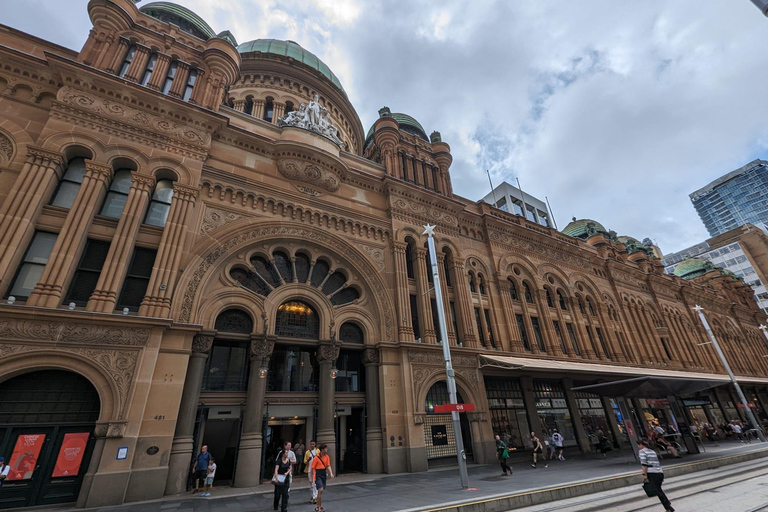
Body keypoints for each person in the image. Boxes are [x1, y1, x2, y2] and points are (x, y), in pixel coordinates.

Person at [638, 438, 675, 512]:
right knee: (659, 490)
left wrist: (644, 475)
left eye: (638, 445)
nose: (638, 447)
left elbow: (644, 464)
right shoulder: (652, 451)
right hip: (659, 472)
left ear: (641, 445)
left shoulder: (642, 451)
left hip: (652, 473)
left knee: (657, 491)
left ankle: (668, 507)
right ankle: (668, 506)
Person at [310, 443, 334, 512]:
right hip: (318, 474)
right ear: (322, 450)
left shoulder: (327, 457)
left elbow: (328, 465)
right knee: (320, 489)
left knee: (320, 491)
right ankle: (319, 506)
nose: (326, 450)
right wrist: (311, 477)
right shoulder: (316, 458)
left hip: (323, 473)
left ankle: (317, 506)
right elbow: (312, 468)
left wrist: (331, 473)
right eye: (325, 449)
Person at [273, 448, 292, 512]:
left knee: (285, 494)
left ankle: (284, 508)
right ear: (283, 454)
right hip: (279, 478)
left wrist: (287, 472)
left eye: (287, 453)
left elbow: (290, 468)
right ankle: (276, 505)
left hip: (285, 479)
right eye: (286, 453)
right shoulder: (279, 461)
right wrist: (276, 477)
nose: (287, 454)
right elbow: (276, 470)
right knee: (277, 494)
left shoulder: (288, 460)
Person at [304, 440, 319, 504]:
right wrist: (308, 460)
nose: (312, 445)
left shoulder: (317, 451)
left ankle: (315, 497)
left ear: (315, 444)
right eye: (311, 444)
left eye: (313, 444)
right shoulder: (307, 452)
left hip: (316, 469)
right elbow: (304, 461)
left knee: (315, 483)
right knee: (311, 483)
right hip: (310, 469)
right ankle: (313, 496)